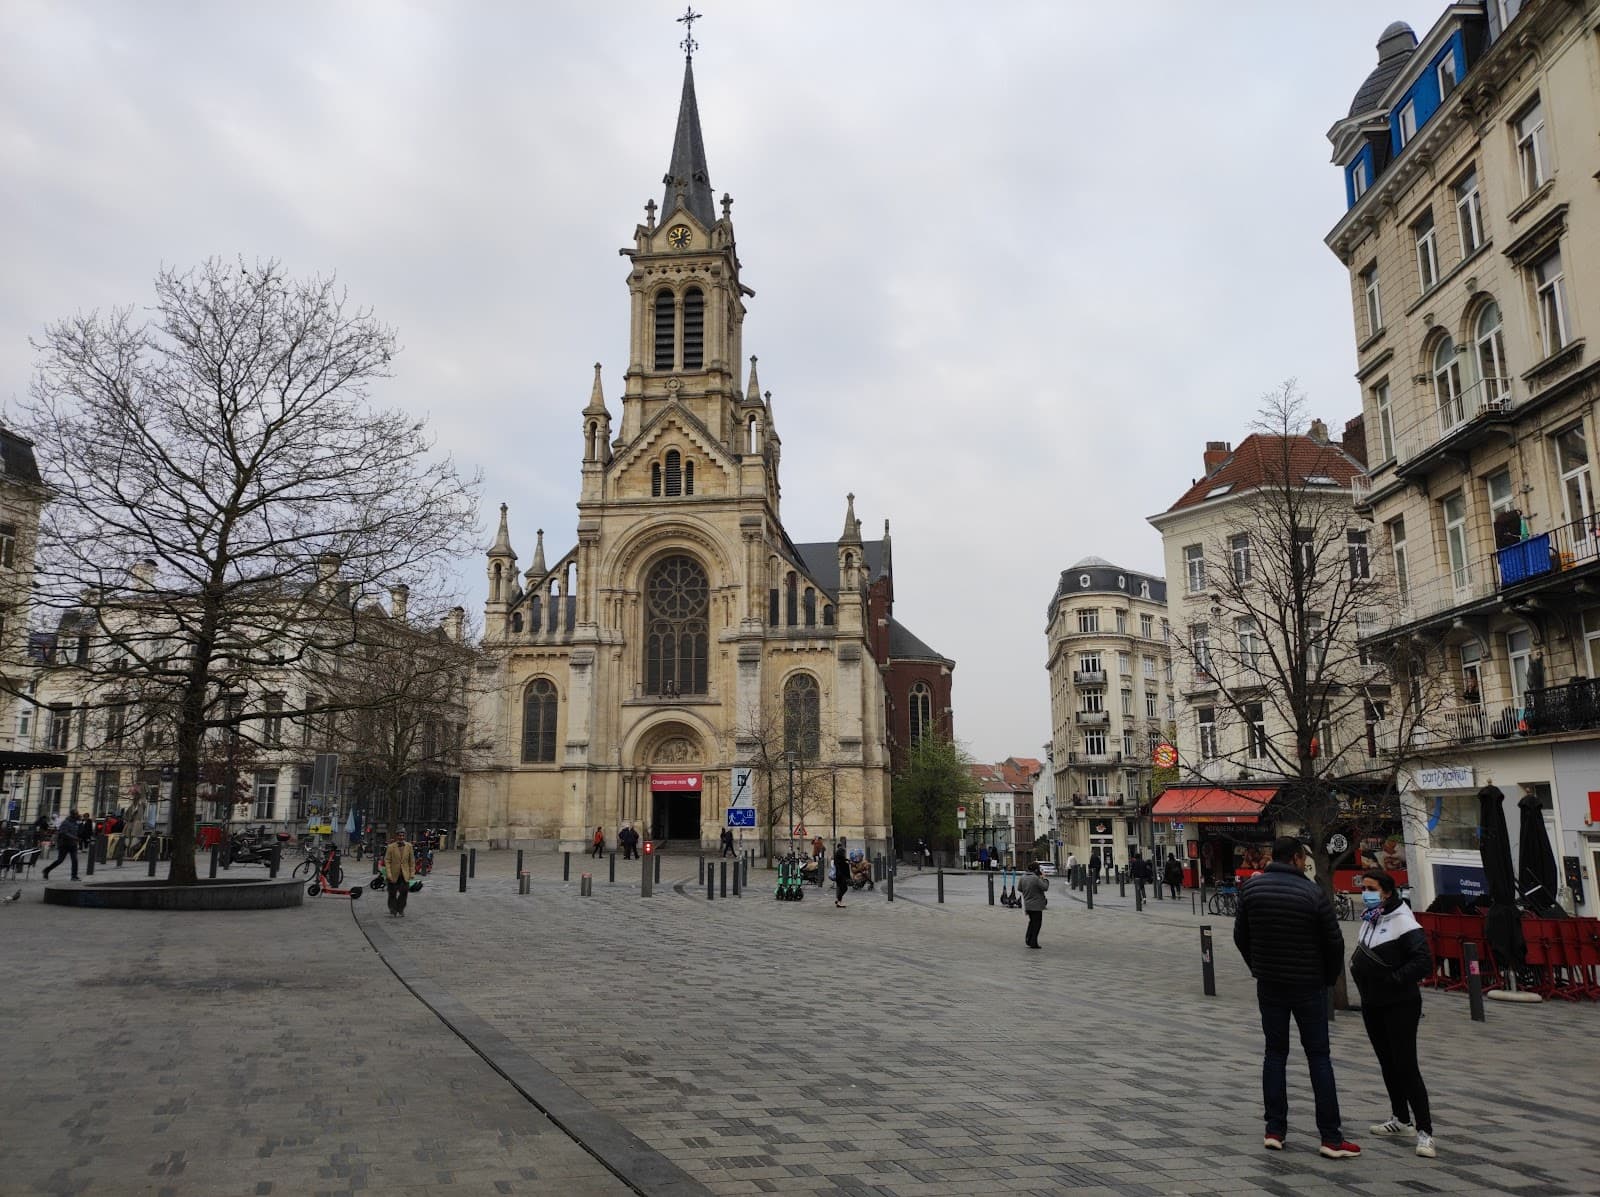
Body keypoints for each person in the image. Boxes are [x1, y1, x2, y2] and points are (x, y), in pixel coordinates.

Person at [1233, 836, 1358, 1159]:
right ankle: (1330, 1137)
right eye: (1304, 859)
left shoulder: (1251, 890)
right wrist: (1327, 978)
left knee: (1274, 1054)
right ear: (1296, 859)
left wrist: (1257, 965)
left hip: (1270, 984)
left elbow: (1240, 936)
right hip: (1308, 985)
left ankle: (1274, 1129)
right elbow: (1334, 942)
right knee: (1318, 1057)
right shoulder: (1313, 893)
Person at [1351, 869, 1436, 1158]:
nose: (1365, 893)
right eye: (1363, 888)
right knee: (1387, 1062)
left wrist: (1394, 979)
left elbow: (1423, 961)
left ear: (1386, 892)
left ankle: (1425, 1131)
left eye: (1371, 888)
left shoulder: (1403, 920)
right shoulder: (1370, 919)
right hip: (1373, 1001)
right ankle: (1400, 1118)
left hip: (1400, 1002)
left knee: (1406, 1065)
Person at [384, 829, 416, 917]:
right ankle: (393, 909)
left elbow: (412, 861)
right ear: (396, 836)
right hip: (393, 874)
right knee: (392, 893)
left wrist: (412, 873)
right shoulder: (391, 847)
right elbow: (387, 861)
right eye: (399, 835)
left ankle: (401, 909)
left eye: (402, 835)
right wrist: (389, 874)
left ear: (404, 836)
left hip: (404, 874)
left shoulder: (409, 846)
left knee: (404, 893)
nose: (401, 837)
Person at [43, 811, 83, 882]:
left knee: (75, 860)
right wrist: (74, 838)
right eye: (76, 814)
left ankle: (74, 876)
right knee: (60, 860)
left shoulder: (75, 823)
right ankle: (47, 870)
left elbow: (77, 832)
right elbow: (63, 833)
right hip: (64, 844)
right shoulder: (66, 823)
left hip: (73, 844)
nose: (78, 816)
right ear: (73, 815)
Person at [1017, 860, 1049, 949]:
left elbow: (1019, 888)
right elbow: (1045, 887)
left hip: (1027, 904)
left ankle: (1028, 939)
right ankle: (1033, 942)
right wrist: (1044, 878)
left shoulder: (1023, 877)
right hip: (1036, 905)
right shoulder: (1036, 878)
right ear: (1036, 870)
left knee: (1032, 922)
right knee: (1037, 924)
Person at [832, 838, 850, 908]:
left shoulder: (838, 858)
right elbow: (843, 864)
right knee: (844, 888)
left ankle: (838, 900)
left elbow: (842, 859)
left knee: (840, 888)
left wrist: (847, 860)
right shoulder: (841, 861)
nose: (844, 854)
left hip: (838, 875)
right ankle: (839, 902)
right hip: (841, 875)